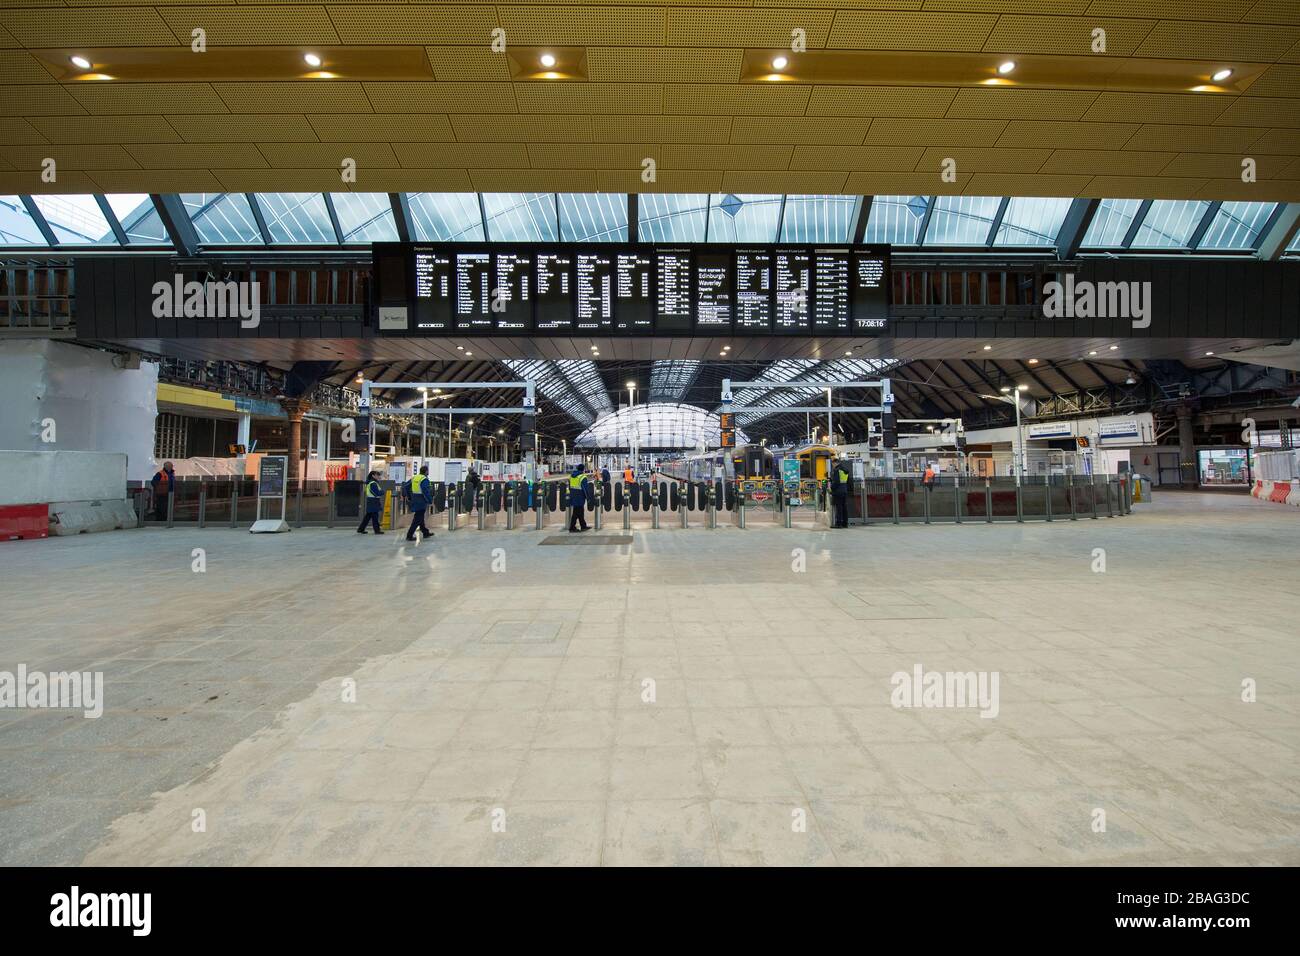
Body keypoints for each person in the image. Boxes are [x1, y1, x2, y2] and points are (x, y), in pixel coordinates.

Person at [406, 465, 433, 541]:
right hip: (421, 500)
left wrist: (409, 496)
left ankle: (425, 532)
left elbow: (406, 487)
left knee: (420, 517)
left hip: (415, 498)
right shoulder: (424, 479)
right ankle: (409, 535)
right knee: (417, 518)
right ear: (426, 471)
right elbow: (425, 491)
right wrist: (430, 500)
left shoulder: (415, 477)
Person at [357, 470, 385, 534]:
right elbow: (376, 493)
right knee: (375, 516)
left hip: (371, 501)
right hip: (373, 501)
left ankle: (361, 529)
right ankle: (377, 530)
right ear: (373, 476)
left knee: (368, 516)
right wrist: (382, 491)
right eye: (377, 475)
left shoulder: (372, 483)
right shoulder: (373, 483)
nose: (378, 477)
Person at [568, 464, 590, 533]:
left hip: (573, 496)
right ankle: (572, 527)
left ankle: (583, 525)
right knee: (576, 513)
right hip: (580, 497)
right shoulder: (582, 477)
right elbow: (585, 489)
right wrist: (588, 497)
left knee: (580, 511)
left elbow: (570, 486)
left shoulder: (571, 476)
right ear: (583, 469)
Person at [830, 458, 850, 529]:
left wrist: (831, 488)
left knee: (839, 508)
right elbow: (847, 481)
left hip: (838, 491)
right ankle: (845, 523)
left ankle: (838, 523)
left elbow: (836, 482)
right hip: (844, 490)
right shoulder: (845, 470)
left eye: (832, 464)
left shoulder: (837, 470)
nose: (832, 465)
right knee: (844, 507)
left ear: (835, 463)